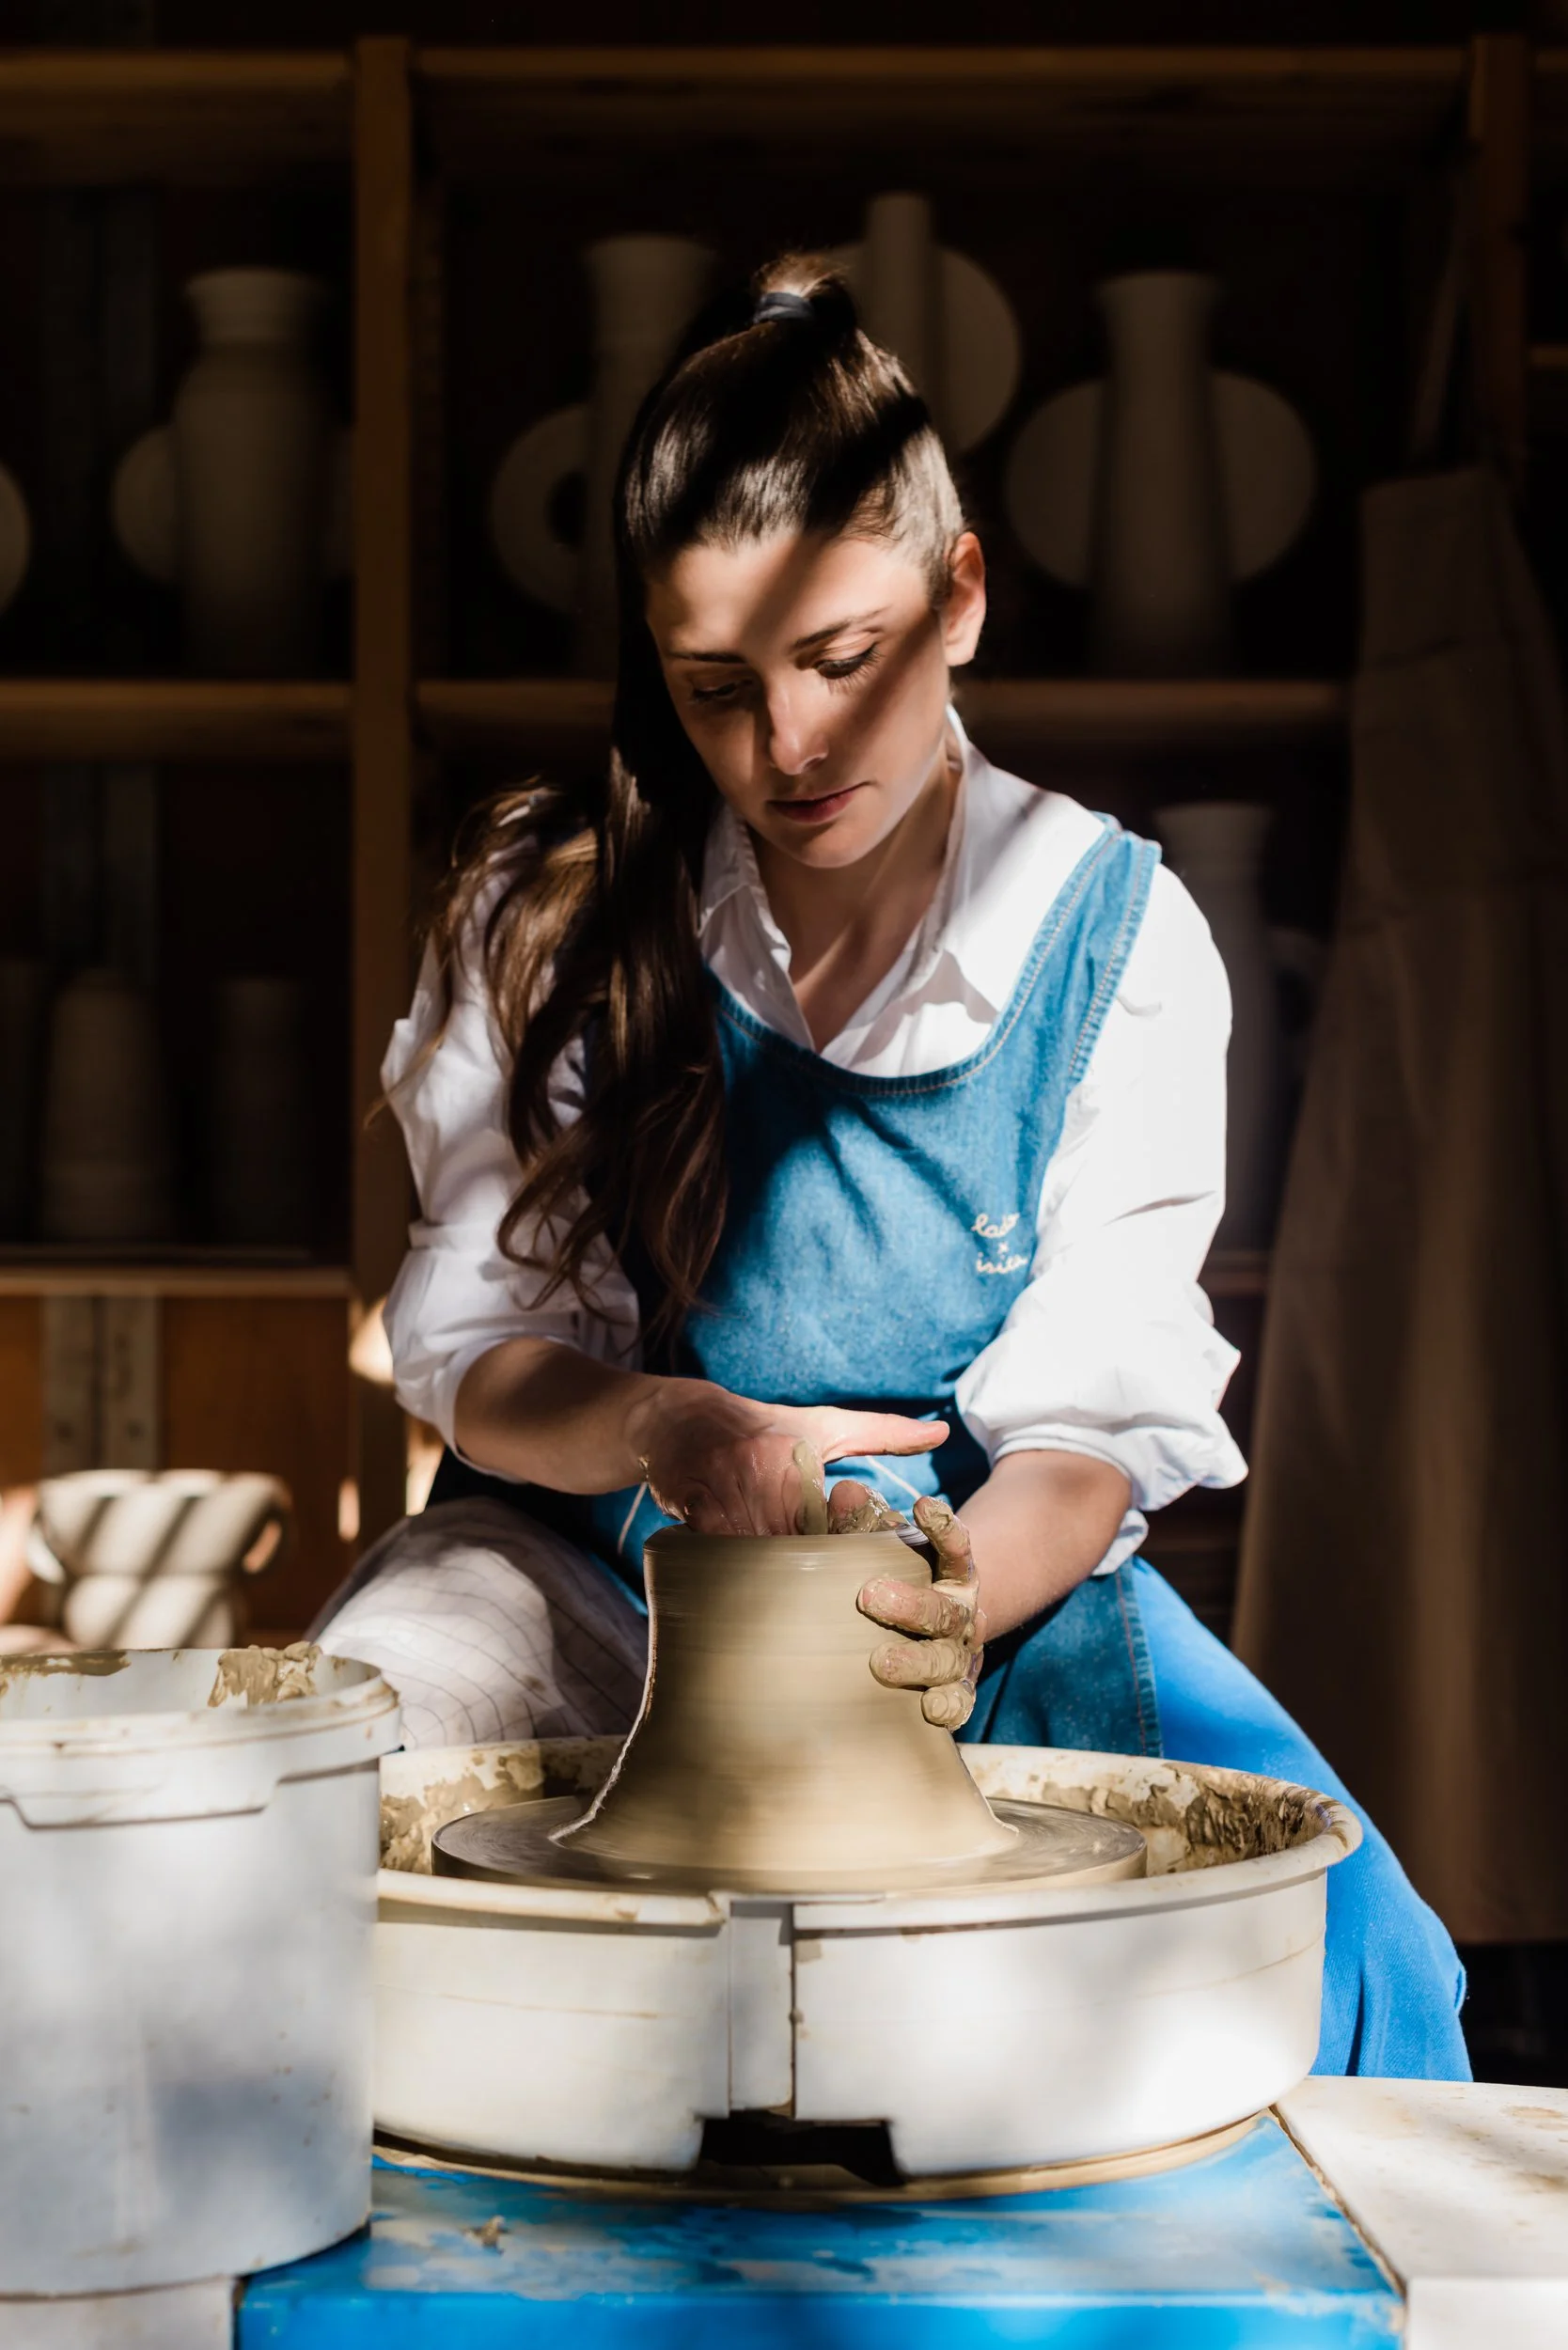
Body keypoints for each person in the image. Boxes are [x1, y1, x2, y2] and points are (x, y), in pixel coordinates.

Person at [317, 256, 1467, 2080]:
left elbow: (1090, 1430)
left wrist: (941, 1608)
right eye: (714, 689)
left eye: (843, 661)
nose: (788, 748)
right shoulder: (552, 915)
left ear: (963, 597)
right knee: (339, 1777)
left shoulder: (1118, 940)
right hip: (597, 1566)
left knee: (1368, 1961)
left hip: (970, 1590)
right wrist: (663, 1428)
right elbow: (480, 1347)